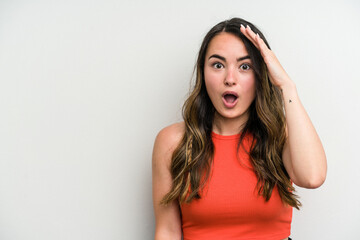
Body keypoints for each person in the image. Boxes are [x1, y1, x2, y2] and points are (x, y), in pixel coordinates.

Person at [152, 17, 327, 240]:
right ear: (203, 72)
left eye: (245, 66)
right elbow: (167, 231)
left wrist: (286, 86)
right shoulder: (172, 141)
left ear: (260, 75)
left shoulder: (280, 136)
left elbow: (312, 177)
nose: (230, 79)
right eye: (218, 65)